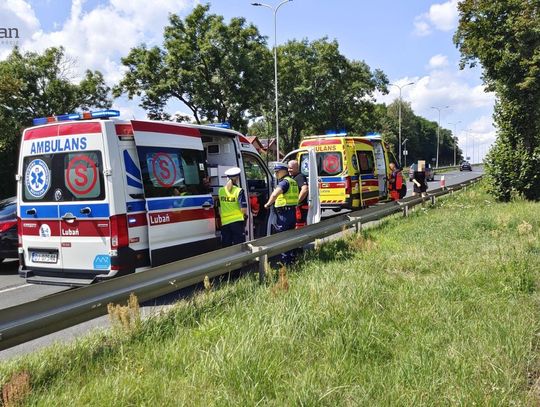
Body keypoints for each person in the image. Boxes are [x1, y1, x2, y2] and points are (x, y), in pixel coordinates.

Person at [264, 163, 299, 264]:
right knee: (290, 237)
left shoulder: (284, 182)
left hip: (284, 214)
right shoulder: (293, 181)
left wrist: (268, 204)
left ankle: (285, 262)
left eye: (277, 172)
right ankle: (291, 259)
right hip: (291, 213)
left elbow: (275, 194)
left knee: (283, 238)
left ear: (284, 171)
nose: (276, 174)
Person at [218, 167, 247, 247]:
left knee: (226, 245)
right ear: (237, 178)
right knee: (239, 245)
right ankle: (240, 259)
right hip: (237, 222)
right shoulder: (239, 190)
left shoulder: (221, 191)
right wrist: (245, 215)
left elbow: (220, 207)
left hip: (225, 222)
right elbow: (243, 209)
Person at [288, 160, 309, 228]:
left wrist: (297, 202)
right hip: (297, 207)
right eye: (288, 168)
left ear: (297, 168)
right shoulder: (293, 177)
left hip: (300, 208)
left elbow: (305, 189)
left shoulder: (300, 177)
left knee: (299, 228)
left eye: (291, 168)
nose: (289, 170)